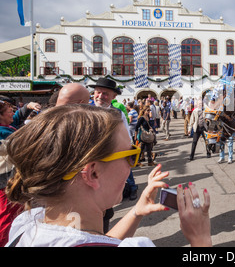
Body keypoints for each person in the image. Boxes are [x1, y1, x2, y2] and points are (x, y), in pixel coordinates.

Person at [5, 104, 212, 247]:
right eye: (131, 155)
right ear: (93, 173)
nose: (133, 165)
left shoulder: (28, 226)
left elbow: (92, 241)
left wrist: (135, 212)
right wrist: (200, 238)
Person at [88, 78, 138, 220]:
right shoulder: (86, 110)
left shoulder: (118, 113)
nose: (100, 96)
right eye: (98, 92)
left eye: (105, 94)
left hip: (111, 158)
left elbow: (126, 135)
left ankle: (131, 190)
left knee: (106, 203)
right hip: (89, 160)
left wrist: (126, 155)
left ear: (113, 96)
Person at [0, 99, 41, 246]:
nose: (13, 112)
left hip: (10, 180)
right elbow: (22, 144)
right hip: (4, 183)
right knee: (6, 217)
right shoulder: (2, 133)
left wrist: (28, 107)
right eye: (9, 110)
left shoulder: (6, 126)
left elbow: (16, 119)